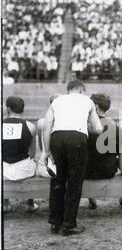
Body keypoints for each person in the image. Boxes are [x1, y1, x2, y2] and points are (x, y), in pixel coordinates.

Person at [43, 79, 102, 236]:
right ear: (82, 89)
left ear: (68, 90)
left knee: (57, 181)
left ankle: (55, 222)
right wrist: (86, 122)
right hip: (77, 137)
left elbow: (47, 126)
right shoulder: (87, 100)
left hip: (56, 136)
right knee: (75, 182)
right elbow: (98, 128)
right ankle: (69, 224)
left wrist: (46, 150)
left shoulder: (57, 101)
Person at [3, 96, 38, 213]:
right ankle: (30, 203)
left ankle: (5, 203)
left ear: (8, 108)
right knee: (32, 162)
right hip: (24, 170)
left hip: (3, 171)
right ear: (22, 109)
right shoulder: (31, 126)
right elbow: (33, 153)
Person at [85, 93, 120, 209]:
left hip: (86, 172)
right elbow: (119, 152)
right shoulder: (114, 126)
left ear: (95, 107)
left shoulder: (85, 126)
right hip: (107, 171)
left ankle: (91, 197)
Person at [36, 94, 61, 178]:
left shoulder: (41, 122)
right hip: (62, 167)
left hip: (44, 168)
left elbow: (40, 146)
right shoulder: (67, 124)